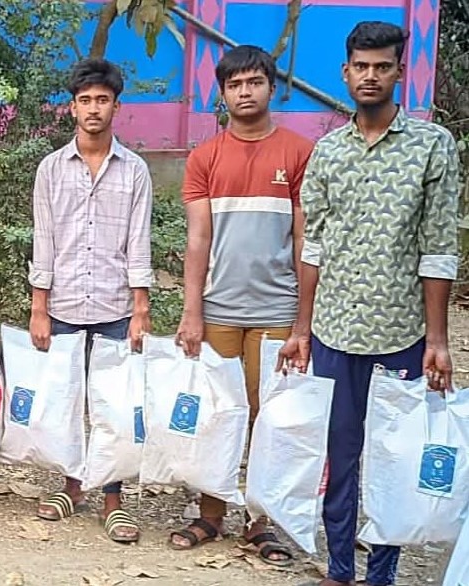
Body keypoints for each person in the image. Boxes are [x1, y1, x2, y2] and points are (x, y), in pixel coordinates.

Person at [280, 22, 459, 586]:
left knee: (393, 459)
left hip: (402, 334)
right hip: (333, 331)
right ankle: (339, 568)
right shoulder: (328, 152)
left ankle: (382, 571)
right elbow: (314, 247)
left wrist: (437, 339)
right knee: (341, 456)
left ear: (400, 71)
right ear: (346, 72)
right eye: (362, 66)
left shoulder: (433, 147)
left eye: (383, 66)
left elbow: (438, 250)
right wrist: (302, 328)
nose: (371, 76)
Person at [171, 45, 311, 565]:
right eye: (234, 85)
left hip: (278, 311)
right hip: (219, 311)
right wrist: (192, 311)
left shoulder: (299, 154)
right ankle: (211, 512)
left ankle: (261, 521)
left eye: (254, 82)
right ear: (223, 92)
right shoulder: (205, 157)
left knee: (268, 418)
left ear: (273, 89)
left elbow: (304, 241)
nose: (245, 92)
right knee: (219, 414)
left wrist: (304, 318)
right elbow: (197, 241)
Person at [26, 58, 151, 543]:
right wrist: (39, 306)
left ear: (115, 106)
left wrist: (141, 309)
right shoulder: (52, 169)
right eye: (85, 100)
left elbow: (138, 245)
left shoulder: (135, 170)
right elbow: (45, 240)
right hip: (63, 307)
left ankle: (112, 501)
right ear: (72, 108)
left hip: (116, 308)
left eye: (102, 100)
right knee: (65, 401)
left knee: (113, 408)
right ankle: (71, 485)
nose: (93, 109)